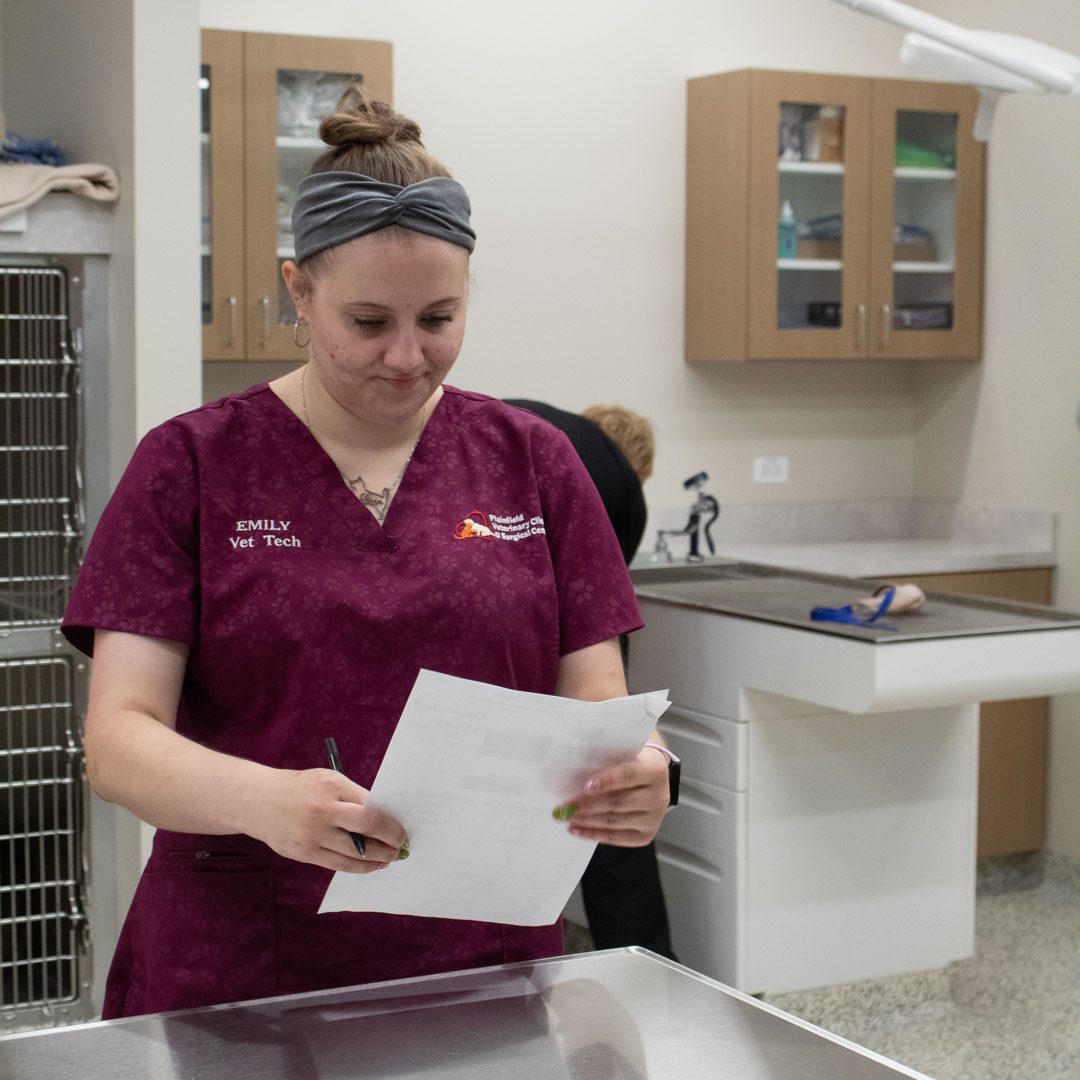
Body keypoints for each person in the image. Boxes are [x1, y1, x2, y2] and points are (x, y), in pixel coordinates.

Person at [62, 88, 673, 1019]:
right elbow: (117, 743)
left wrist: (639, 771)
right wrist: (265, 801)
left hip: (486, 961)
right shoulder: (191, 464)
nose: (406, 357)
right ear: (298, 292)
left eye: (438, 318)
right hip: (242, 968)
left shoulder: (532, 463)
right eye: (368, 322)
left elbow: (593, 695)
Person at [505, 401, 674, 959]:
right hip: (555, 613)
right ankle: (640, 958)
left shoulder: (525, 426)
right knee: (608, 772)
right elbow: (604, 597)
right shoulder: (616, 477)